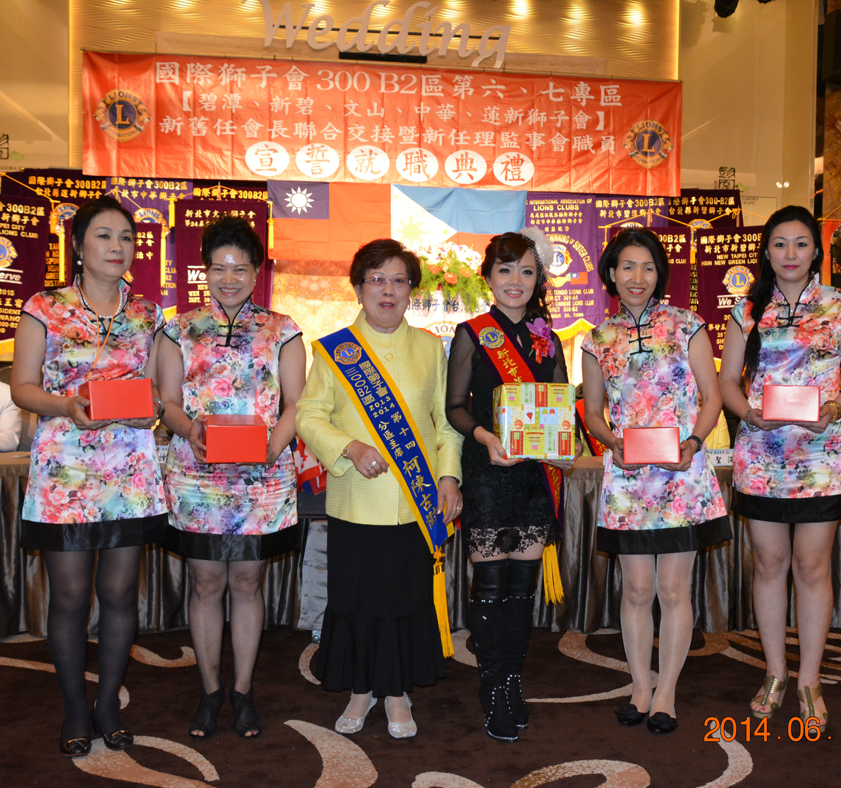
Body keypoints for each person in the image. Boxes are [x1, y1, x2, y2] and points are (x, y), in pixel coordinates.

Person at [10, 195, 168, 757]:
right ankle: (75, 707)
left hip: (129, 469)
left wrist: (153, 410)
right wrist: (66, 405)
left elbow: (156, 390)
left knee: (120, 592)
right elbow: (21, 387)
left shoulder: (147, 313)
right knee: (71, 595)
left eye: (126, 237)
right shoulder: (45, 306)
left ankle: (107, 705)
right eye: (103, 236)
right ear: (77, 245)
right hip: (65, 470)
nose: (117, 247)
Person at [296, 238, 463, 740]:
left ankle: (396, 693)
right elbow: (308, 415)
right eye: (376, 279)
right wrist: (348, 447)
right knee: (356, 600)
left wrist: (449, 477)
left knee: (404, 601)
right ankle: (361, 689)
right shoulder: (334, 350)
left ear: (411, 290)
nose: (387, 290)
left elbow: (445, 425)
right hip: (355, 503)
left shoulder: (430, 348)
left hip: (415, 504)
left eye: (398, 280)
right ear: (358, 288)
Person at [717, 205, 841, 732]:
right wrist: (747, 414)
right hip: (762, 453)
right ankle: (775, 672)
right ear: (766, 251)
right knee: (768, 564)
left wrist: (835, 406)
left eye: (801, 243)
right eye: (780, 243)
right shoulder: (746, 309)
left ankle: (809, 678)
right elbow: (727, 381)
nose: (790, 253)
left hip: (821, 454)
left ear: (816, 251)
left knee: (811, 567)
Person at [158, 216, 305, 740]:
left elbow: (296, 403)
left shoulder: (282, 329)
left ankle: (242, 691)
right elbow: (167, 401)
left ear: (256, 271)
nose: (229, 278)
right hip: (197, 473)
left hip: (262, 475)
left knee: (246, 581)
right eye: (219, 268)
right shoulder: (178, 328)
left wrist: (272, 447)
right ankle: (209, 690)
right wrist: (189, 429)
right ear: (204, 270)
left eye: (240, 268)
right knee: (205, 582)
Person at [580, 227, 732, 736]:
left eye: (647, 267)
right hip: (628, 480)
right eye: (627, 266)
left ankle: (666, 691)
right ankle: (639, 686)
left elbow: (712, 396)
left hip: (681, 475)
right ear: (611, 273)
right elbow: (594, 411)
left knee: (672, 588)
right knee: (637, 588)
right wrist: (612, 442)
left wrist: (694, 441)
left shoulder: (687, 325)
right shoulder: (598, 339)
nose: (637, 277)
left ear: (659, 274)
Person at [445, 229, 578, 741]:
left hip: (533, 476)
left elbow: (561, 405)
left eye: (526, 271)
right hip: (488, 471)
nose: (515, 280)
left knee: (522, 591)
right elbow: (454, 407)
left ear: (539, 278)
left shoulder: (550, 337)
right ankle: (492, 685)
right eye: (505, 270)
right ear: (488, 277)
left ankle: (511, 681)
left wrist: (565, 447)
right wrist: (484, 436)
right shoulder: (472, 333)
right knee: (491, 587)